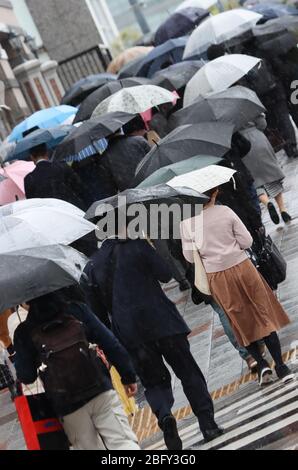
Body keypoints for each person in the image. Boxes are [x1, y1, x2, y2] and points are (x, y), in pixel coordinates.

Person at [84, 237, 223, 450]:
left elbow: (99, 317)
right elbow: (166, 274)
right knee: (188, 371)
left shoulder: (92, 268)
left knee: (153, 382)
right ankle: (208, 423)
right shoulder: (137, 245)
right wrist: (148, 247)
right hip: (163, 321)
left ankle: (165, 414)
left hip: (132, 334)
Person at [181, 188, 294, 387]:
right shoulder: (225, 211)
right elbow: (247, 241)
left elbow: (190, 258)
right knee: (262, 313)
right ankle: (280, 366)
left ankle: (261, 364)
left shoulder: (187, 224)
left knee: (239, 320)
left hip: (217, 277)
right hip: (243, 267)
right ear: (214, 193)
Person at [13, 292, 140, 451]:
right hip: (98, 386)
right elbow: (110, 342)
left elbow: (27, 376)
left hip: (67, 402)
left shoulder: (24, 331)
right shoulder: (76, 310)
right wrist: (128, 376)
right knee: (122, 442)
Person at [240, 114, 292, 225]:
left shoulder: (222, 114)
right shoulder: (248, 106)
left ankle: (267, 202)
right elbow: (262, 124)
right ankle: (283, 210)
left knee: (255, 181)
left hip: (242, 146)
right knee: (271, 176)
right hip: (258, 139)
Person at [24, 143, 86, 210]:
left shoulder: (29, 179)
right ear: (47, 152)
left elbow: (33, 205)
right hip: (72, 210)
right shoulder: (62, 167)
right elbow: (80, 188)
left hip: (50, 215)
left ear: (32, 157)